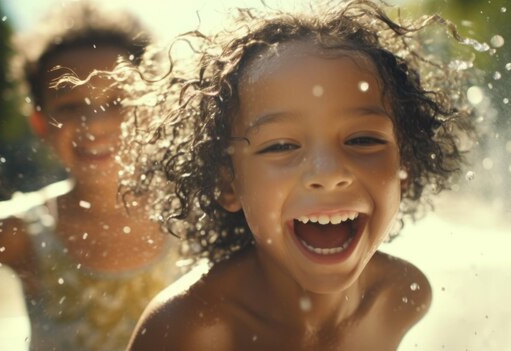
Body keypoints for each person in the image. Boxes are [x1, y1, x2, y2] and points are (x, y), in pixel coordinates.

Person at [118, 0, 477, 349]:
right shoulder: (188, 329)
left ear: (404, 168)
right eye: (280, 146)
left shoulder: (402, 296)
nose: (328, 172)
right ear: (228, 182)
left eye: (363, 139)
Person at [0, 2, 178, 350]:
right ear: (40, 124)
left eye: (118, 101)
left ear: (153, 110)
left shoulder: (191, 215)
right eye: (70, 106)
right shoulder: (18, 230)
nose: (95, 124)